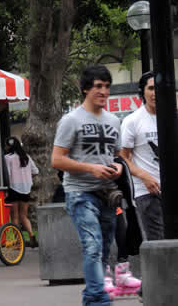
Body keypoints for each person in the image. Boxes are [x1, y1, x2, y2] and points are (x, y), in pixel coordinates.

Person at [51, 65, 123, 306]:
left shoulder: (114, 120)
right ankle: (100, 301)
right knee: (92, 246)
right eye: (98, 86)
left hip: (108, 194)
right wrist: (91, 168)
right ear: (85, 89)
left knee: (103, 250)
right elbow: (56, 160)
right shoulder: (71, 120)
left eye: (107, 86)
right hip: (80, 193)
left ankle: (92, 299)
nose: (104, 91)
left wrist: (119, 167)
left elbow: (118, 155)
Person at [120, 71, 164, 300]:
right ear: (142, 93)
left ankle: (155, 286)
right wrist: (144, 176)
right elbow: (124, 156)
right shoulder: (133, 121)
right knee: (157, 242)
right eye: (150, 88)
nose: (155, 93)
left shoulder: (171, 116)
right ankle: (152, 290)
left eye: (159, 88)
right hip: (147, 192)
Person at [4, 136, 39, 248]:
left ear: (9, 146)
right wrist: (27, 178)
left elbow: (8, 175)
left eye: (6, 145)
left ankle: (19, 242)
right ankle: (32, 235)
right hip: (26, 189)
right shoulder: (26, 157)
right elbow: (36, 171)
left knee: (14, 217)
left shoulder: (7, 158)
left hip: (13, 189)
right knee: (24, 216)